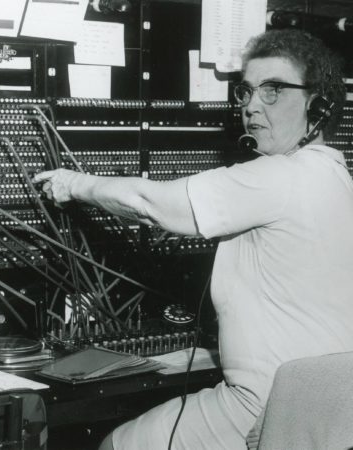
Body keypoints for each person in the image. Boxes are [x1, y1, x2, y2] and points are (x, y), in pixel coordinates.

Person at [33, 29, 353, 449]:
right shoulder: (334, 175)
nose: (252, 106)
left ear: (319, 104)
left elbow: (151, 203)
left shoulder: (281, 176)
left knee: (116, 445)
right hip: (331, 406)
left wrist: (73, 183)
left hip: (265, 405)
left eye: (273, 90)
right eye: (246, 91)